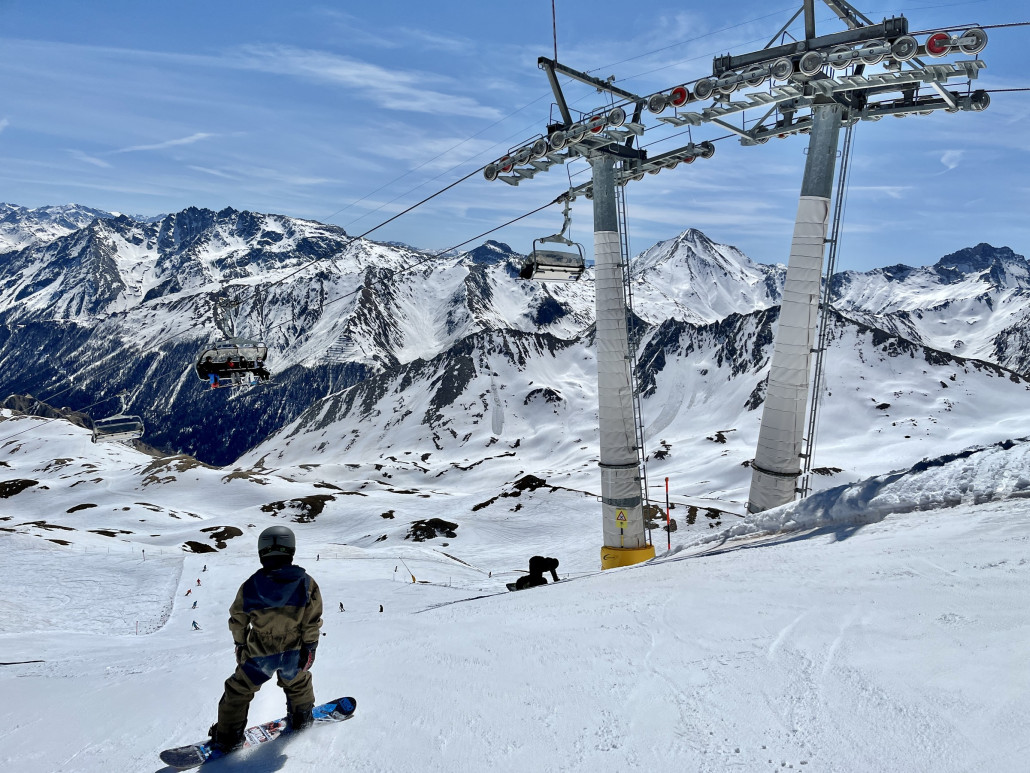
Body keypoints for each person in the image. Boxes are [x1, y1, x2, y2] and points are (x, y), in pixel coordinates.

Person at [206, 526, 323, 754]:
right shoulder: (306, 583)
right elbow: (312, 620)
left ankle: (228, 736)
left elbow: (238, 618)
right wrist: (310, 647)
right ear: (291, 551)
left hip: (260, 653)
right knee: (298, 683)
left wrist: (240, 644)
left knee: (238, 690)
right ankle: (302, 718)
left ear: (262, 553)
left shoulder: (251, 585)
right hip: (293, 651)